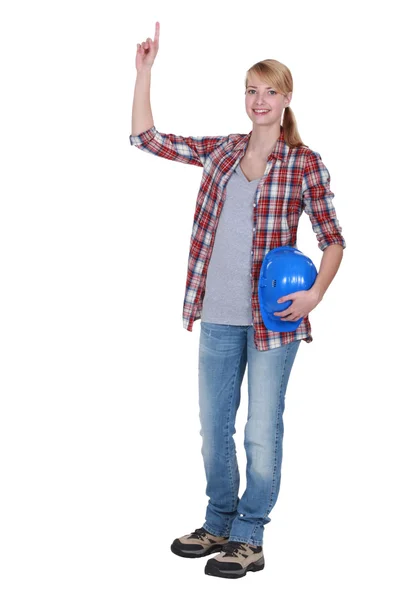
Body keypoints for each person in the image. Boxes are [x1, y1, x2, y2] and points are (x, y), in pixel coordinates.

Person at [130, 21, 346, 580]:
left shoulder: (304, 163)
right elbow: (148, 139)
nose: (259, 100)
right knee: (214, 426)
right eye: (252, 90)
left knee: (260, 429)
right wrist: (145, 72)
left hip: (275, 321)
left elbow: (332, 238)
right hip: (218, 316)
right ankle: (218, 521)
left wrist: (316, 294)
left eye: (270, 90)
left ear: (287, 98)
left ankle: (250, 534)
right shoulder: (222, 151)